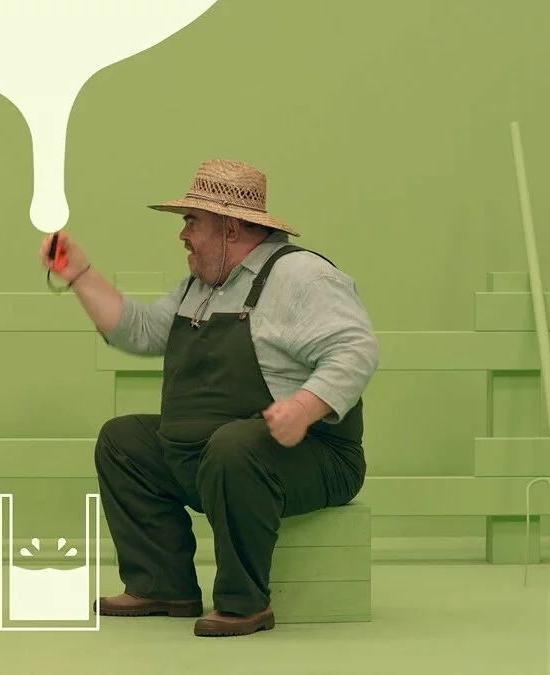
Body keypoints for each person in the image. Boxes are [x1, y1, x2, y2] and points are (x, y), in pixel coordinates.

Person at [42, 159, 378, 638]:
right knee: (123, 440)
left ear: (230, 228)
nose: (183, 235)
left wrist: (303, 409)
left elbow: (357, 349)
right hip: (213, 457)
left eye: (191, 221)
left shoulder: (303, 277)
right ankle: (162, 586)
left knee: (234, 446)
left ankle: (245, 604)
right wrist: (78, 273)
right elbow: (139, 331)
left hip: (311, 456)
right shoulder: (202, 285)